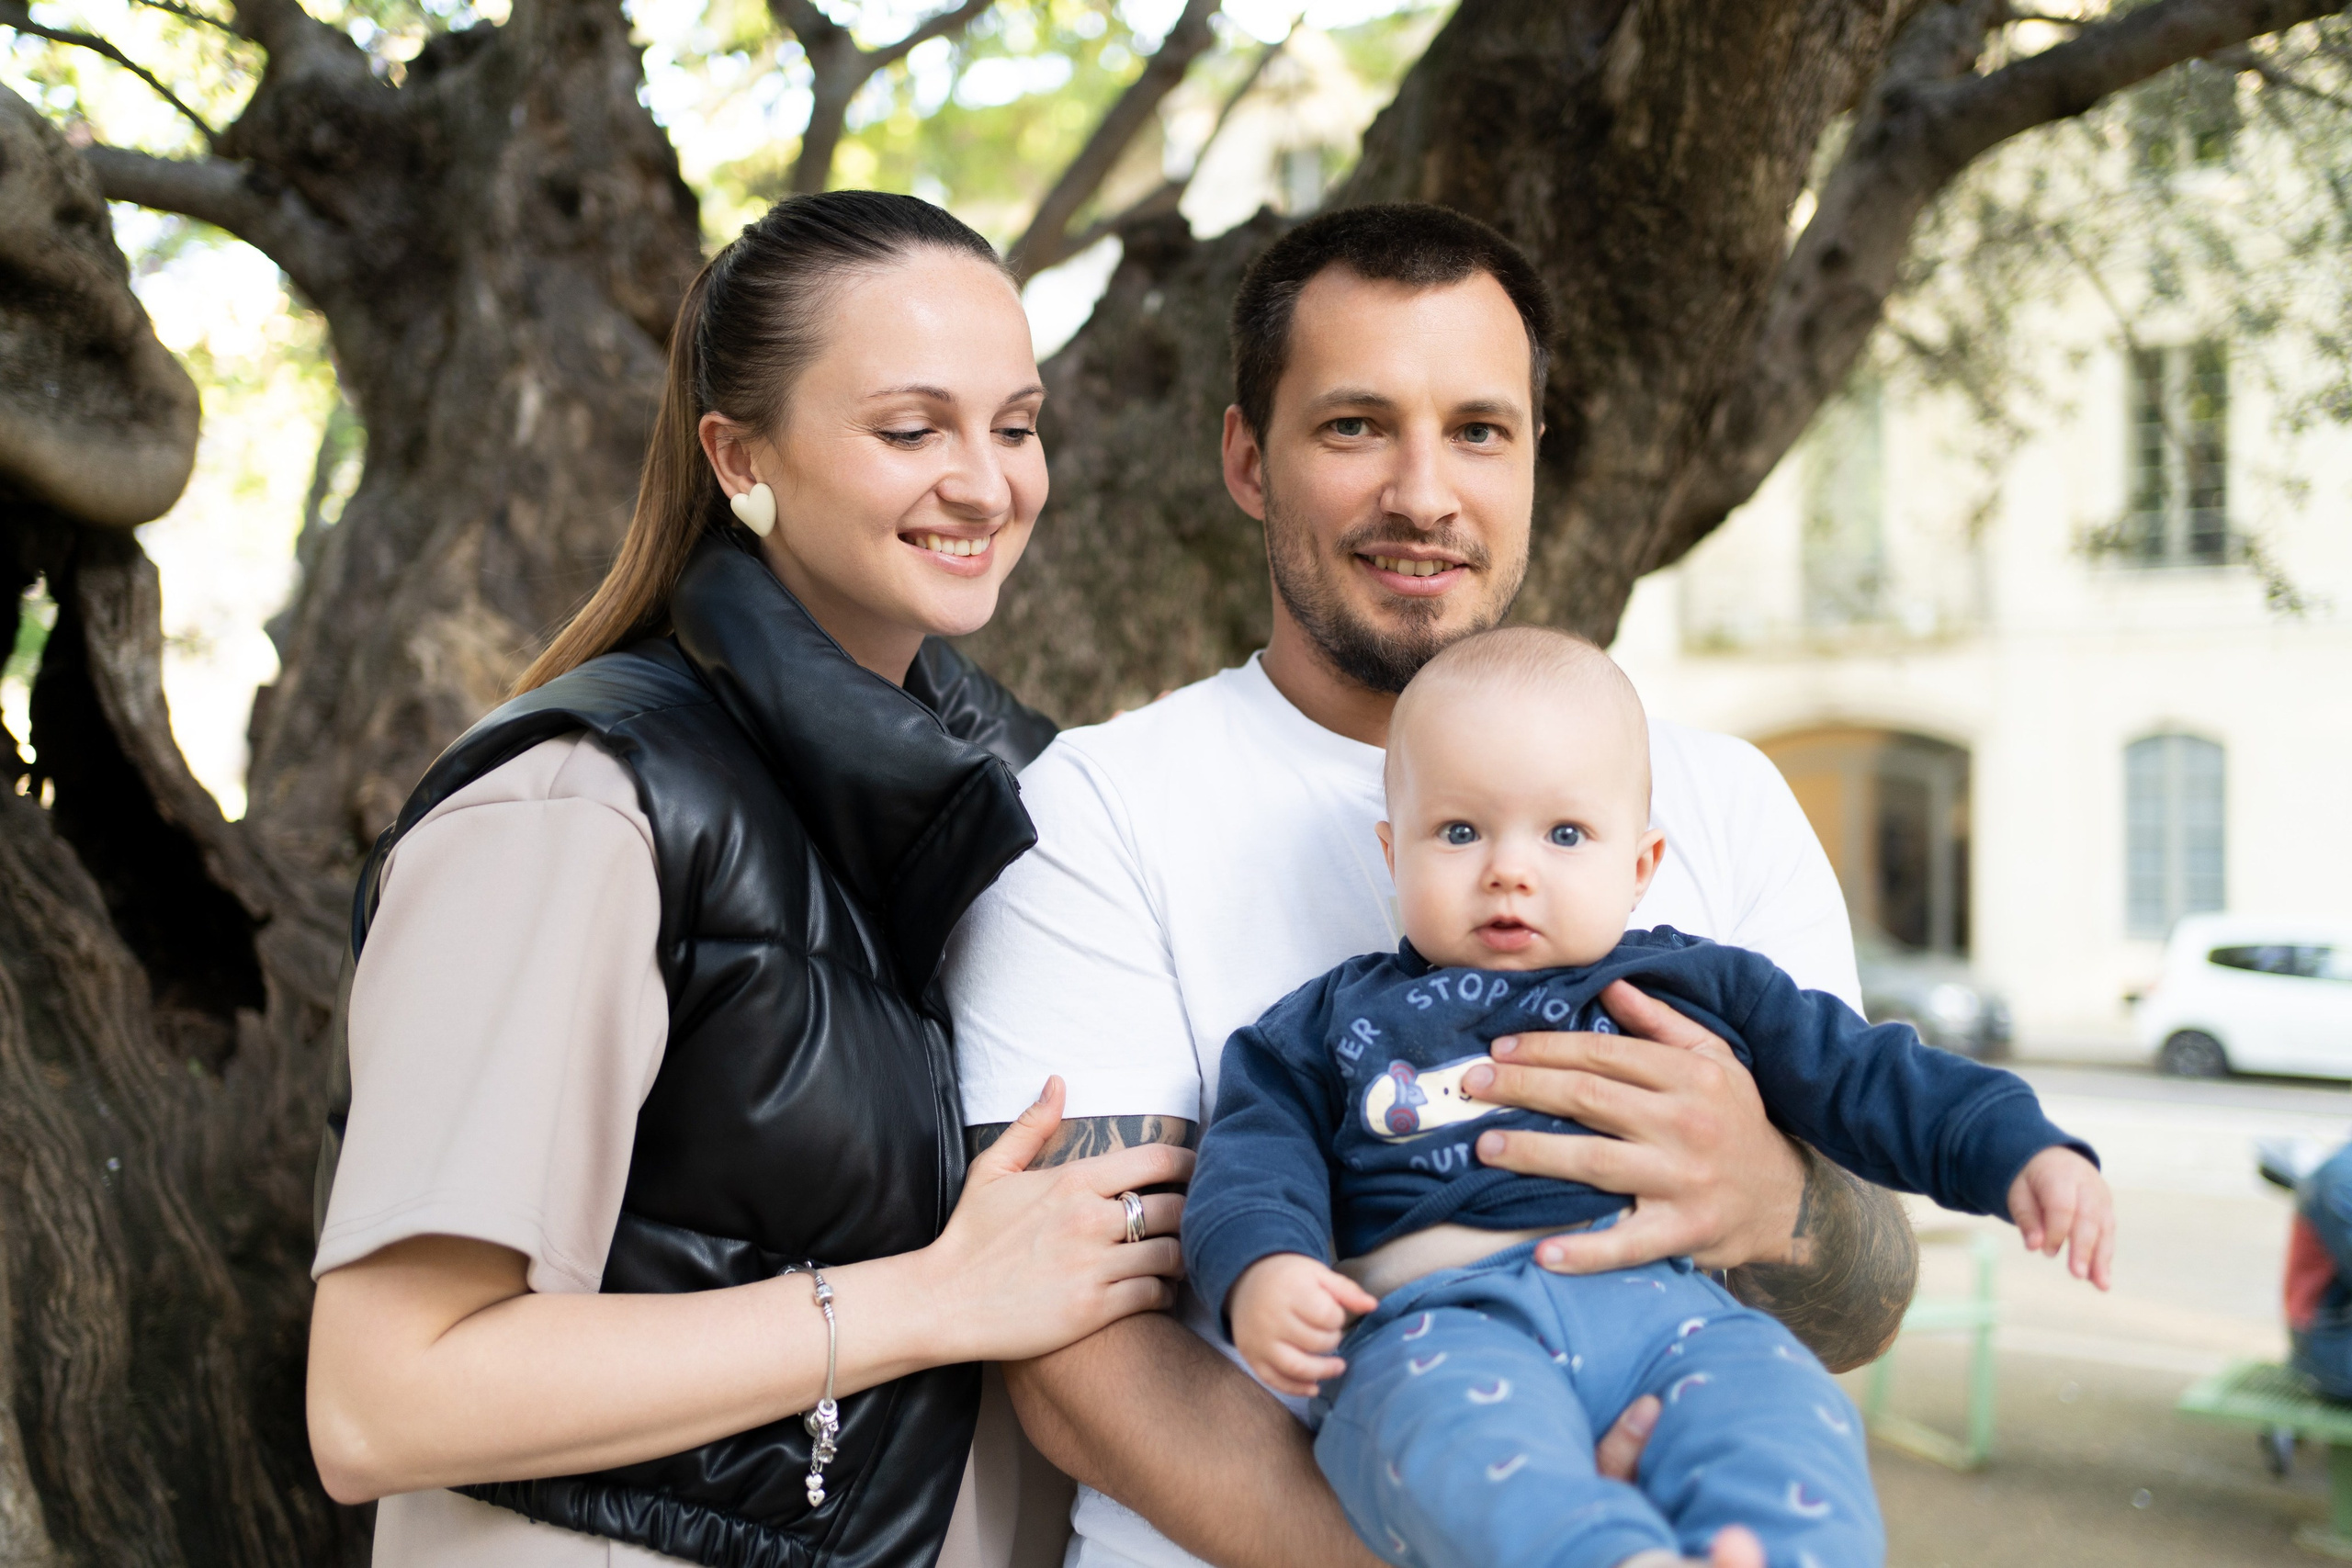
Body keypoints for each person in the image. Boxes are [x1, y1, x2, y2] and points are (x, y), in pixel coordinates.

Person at [946, 204, 1928, 1568]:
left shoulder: (1721, 803)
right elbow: (1073, 1355)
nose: (1425, 490)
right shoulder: (1096, 813)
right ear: (1247, 456)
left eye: (1479, 428)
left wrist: (1763, 1193)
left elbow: (1867, 1301)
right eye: (1355, 426)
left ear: (1533, 457)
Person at [303, 191, 1193, 1567]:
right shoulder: (576, 806)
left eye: (1014, 425)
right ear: (739, 455)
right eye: (912, 429)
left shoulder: (1025, 809)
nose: (988, 481)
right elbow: (382, 1393)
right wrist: (931, 1297)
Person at [1192, 626, 2113, 1568]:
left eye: (1564, 834)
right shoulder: (1327, 1022)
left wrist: (2014, 1147)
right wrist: (1263, 1269)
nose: (1510, 869)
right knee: (1458, 1457)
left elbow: (1865, 1072)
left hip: (1670, 1317)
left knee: (1784, 1411)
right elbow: (1253, 1161)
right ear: (1394, 855)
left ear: (1638, 867)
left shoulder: (1695, 985)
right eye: (1460, 831)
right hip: (1442, 1325)